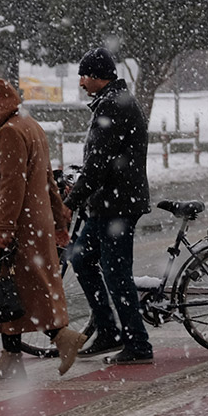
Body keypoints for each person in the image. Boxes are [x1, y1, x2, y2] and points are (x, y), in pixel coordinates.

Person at [0, 77, 86, 381]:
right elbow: (47, 179)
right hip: (35, 223)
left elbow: (12, 186)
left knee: (11, 291)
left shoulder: (9, 133)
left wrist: (4, 228)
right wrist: (59, 221)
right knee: (22, 291)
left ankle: (59, 338)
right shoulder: (29, 126)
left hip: (17, 227)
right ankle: (13, 355)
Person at [63, 47, 154, 365]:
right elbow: (99, 159)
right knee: (81, 258)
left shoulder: (113, 106)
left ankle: (137, 344)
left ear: (96, 76)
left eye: (83, 75)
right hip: (108, 203)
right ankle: (108, 329)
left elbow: (98, 164)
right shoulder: (113, 101)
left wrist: (70, 201)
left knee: (117, 275)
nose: (80, 82)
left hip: (116, 205)